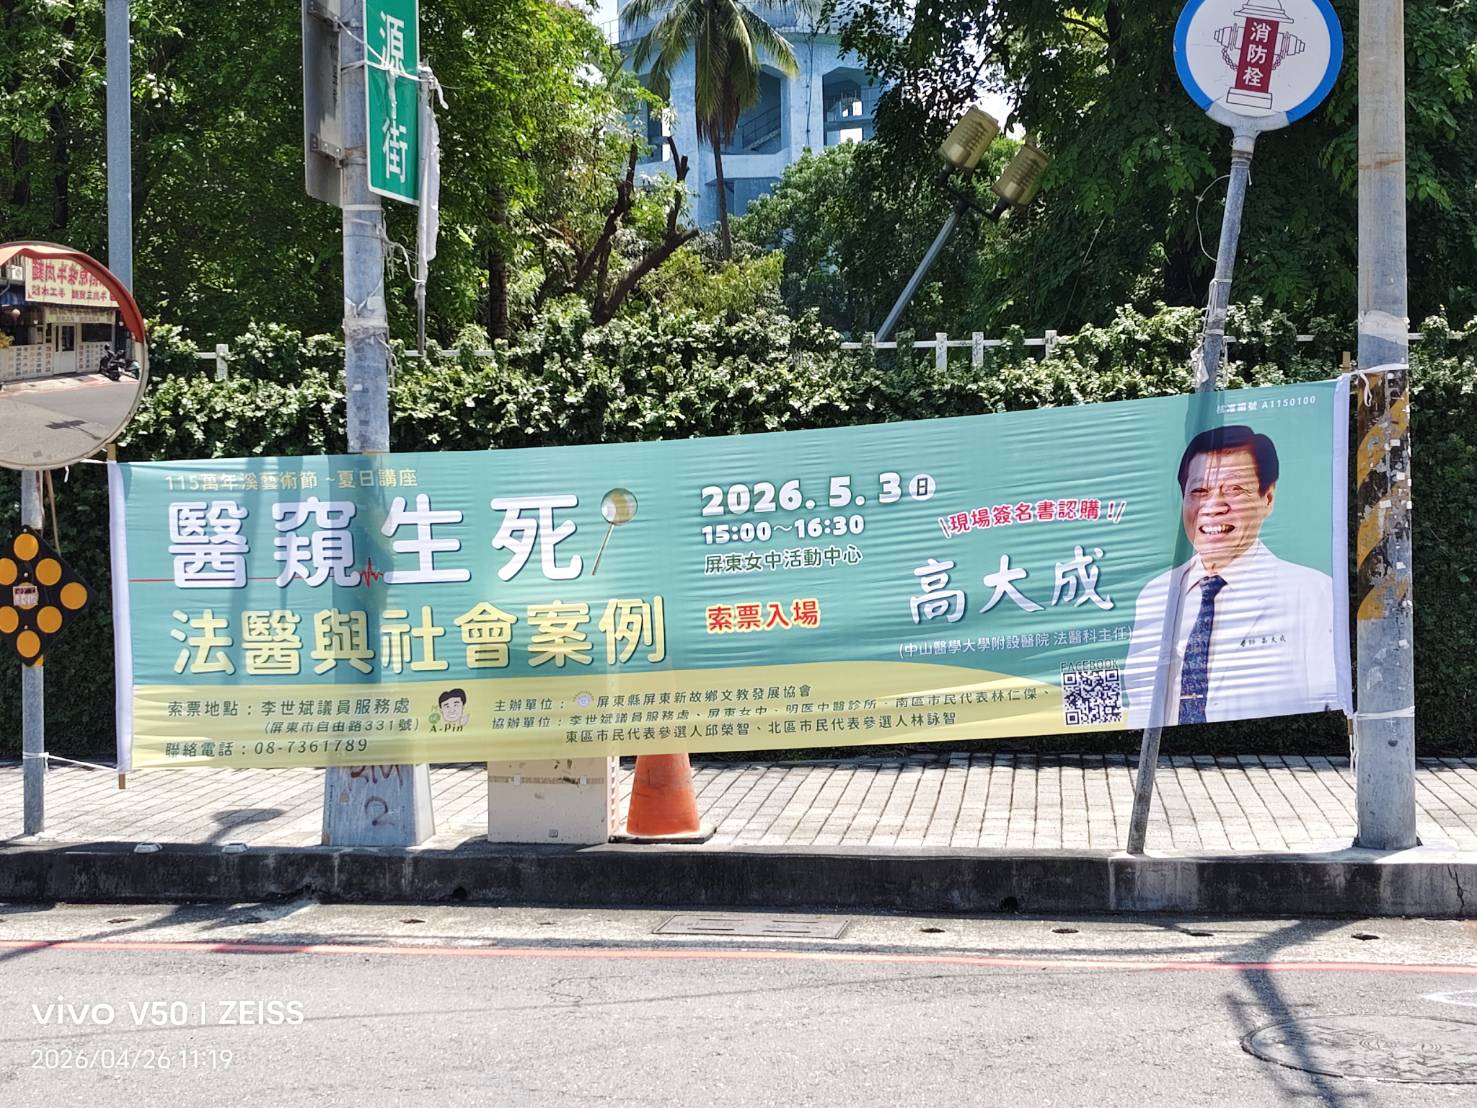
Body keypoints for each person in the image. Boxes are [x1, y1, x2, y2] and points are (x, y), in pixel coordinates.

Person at [1122, 425, 1340, 727]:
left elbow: (1329, 702)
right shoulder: (1157, 594)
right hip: (1171, 754)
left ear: (1268, 498)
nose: (1213, 507)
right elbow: (1141, 703)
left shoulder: (1312, 592)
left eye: (1235, 489)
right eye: (1199, 492)